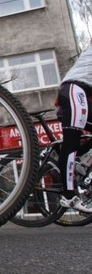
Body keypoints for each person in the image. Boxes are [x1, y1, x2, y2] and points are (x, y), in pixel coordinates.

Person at [57, 46, 92, 213]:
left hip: (83, 95)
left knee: (74, 146)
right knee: (71, 142)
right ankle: (68, 196)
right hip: (75, 90)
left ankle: (80, 161)